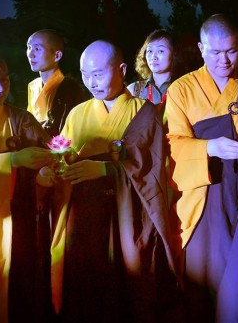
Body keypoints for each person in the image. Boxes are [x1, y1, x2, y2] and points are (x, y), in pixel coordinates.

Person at [48, 40, 177, 322]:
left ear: (121, 70)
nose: (91, 82)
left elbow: (153, 171)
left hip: (127, 215)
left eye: (98, 74)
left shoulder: (144, 113)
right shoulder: (77, 113)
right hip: (83, 217)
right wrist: (56, 169)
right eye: (84, 74)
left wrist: (107, 170)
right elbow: (63, 158)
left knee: (126, 290)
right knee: (85, 289)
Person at [165, 14, 238, 322]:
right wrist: (209, 147)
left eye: (232, 51)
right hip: (207, 193)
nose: (225, 60)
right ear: (201, 48)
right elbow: (172, 143)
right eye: (215, 52)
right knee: (202, 280)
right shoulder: (182, 90)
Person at [0, 47, 53, 322]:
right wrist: (12, 160)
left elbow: (48, 157)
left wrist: (46, 172)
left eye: (5, 79)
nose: (0, 87)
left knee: (19, 295)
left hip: (17, 222)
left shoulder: (21, 120)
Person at [26, 29, 86, 136]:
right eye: (29, 47)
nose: (30, 54)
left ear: (57, 55)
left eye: (37, 49)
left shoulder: (70, 88)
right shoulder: (33, 85)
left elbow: (66, 130)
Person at [127, 29, 175, 108]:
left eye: (160, 51)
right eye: (150, 51)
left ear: (173, 54)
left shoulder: (183, 87)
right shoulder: (133, 90)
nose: (153, 57)